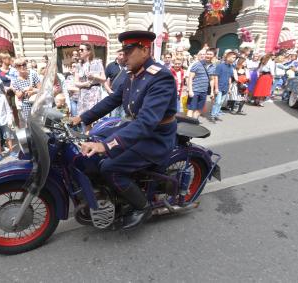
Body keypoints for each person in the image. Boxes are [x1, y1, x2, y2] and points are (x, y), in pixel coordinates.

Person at [71, 31, 178, 229]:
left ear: (145, 50)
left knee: (109, 167)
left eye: (129, 50)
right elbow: (113, 100)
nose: (123, 56)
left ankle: (142, 206)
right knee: (92, 140)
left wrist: (107, 145)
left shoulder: (160, 77)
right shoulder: (132, 74)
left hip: (155, 136)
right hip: (137, 128)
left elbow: (147, 122)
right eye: (123, 51)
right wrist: (82, 117)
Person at [74, 42, 106, 130]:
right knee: (85, 120)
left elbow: (103, 78)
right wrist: (84, 84)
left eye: (82, 50)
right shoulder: (78, 65)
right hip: (83, 94)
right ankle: (87, 139)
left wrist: (94, 76)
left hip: (94, 93)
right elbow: (76, 82)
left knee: (95, 119)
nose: (79, 51)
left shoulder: (97, 62)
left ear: (89, 51)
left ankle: (94, 139)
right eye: (79, 50)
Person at [10, 58, 41, 128]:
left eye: (24, 64)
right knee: (30, 125)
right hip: (26, 106)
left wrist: (33, 91)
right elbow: (18, 95)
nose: (22, 67)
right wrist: (25, 90)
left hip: (37, 103)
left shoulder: (33, 74)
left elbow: (41, 89)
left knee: (40, 123)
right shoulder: (15, 81)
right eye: (19, 65)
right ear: (16, 67)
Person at [187, 49, 216, 119]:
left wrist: (212, 91)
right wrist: (190, 90)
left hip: (204, 91)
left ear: (214, 56)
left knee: (199, 109)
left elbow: (212, 79)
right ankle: (187, 124)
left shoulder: (213, 66)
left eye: (210, 54)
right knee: (191, 109)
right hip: (195, 90)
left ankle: (193, 122)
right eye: (207, 54)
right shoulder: (197, 64)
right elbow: (190, 78)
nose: (208, 55)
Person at [210, 50, 236, 122]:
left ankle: (216, 114)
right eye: (233, 57)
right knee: (217, 102)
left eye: (235, 58)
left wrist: (229, 88)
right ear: (228, 57)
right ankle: (212, 115)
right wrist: (216, 88)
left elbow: (230, 78)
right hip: (220, 87)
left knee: (221, 102)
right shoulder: (220, 66)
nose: (234, 59)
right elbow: (216, 77)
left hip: (226, 87)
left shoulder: (231, 67)